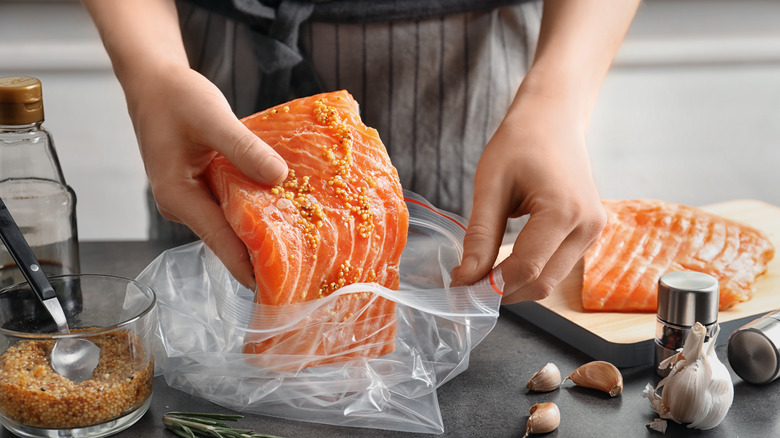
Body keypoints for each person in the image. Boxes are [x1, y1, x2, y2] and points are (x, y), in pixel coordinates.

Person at [81, 0, 639, 305]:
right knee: (215, 309)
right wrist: (152, 75)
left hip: (468, 68)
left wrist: (558, 101)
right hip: (210, 68)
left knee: (468, 301)